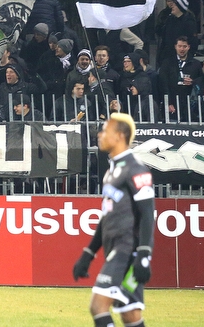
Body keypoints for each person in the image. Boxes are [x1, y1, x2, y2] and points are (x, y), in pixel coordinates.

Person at [73, 112, 154, 327]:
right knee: (130, 315)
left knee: (98, 306)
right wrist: (88, 253)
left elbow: (147, 213)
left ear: (119, 135)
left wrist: (144, 254)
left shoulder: (135, 168)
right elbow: (106, 216)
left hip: (126, 249)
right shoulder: (111, 171)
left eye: (105, 130)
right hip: (115, 247)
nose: (99, 134)